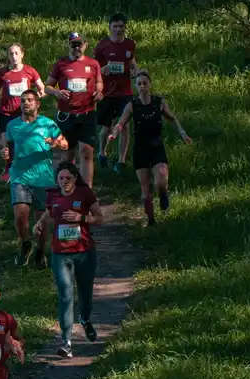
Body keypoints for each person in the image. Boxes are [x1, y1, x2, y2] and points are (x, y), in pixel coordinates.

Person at [35, 162, 104, 357]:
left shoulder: (84, 194)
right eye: (61, 179)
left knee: (84, 293)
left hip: (84, 252)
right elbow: (49, 214)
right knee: (65, 295)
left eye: (68, 178)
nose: (64, 182)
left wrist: (81, 218)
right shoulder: (53, 195)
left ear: (75, 179)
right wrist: (39, 225)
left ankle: (85, 319)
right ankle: (66, 341)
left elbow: (100, 218)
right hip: (60, 253)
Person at [108, 70, 192, 226]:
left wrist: (182, 133)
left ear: (150, 84)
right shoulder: (132, 105)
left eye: (145, 83)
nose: (142, 86)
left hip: (156, 146)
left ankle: (163, 193)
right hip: (140, 149)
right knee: (146, 192)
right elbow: (121, 123)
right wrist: (114, 133)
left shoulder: (158, 102)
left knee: (160, 178)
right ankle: (151, 220)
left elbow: (172, 118)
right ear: (136, 86)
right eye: (139, 84)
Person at [4, 89, 67, 267]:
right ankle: (25, 243)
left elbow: (65, 144)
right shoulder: (12, 125)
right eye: (23, 100)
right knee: (20, 215)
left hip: (43, 178)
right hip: (20, 176)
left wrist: (55, 143)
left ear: (37, 104)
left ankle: (40, 251)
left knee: (42, 221)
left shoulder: (48, 124)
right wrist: (6, 154)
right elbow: (9, 147)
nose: (26, 103)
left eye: (30, 100)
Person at [46, 31, 103, 186]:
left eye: (79, 44)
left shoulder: (93, 64)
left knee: (86, 152)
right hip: (66, 115)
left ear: (85, 45)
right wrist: (57, 92)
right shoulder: (60, 64)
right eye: (73, 44)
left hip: (87, 113)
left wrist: (99, 92)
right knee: (66, 154)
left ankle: (87, 190)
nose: (76, 47)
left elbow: (99, 82)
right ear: (69, 45)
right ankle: (64, 187)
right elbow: (47, 87)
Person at [94, 13, 140, 171]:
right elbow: (94, 70)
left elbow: (132, 62)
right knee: (106, 127)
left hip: (125, 92)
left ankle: (121, 161)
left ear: (125, 27)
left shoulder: (130, 44)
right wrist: (103, 69)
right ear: (110, 28)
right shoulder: (102, 46)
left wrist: (136, 71)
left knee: (124, 126)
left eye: (121, 26)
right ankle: (102, 153)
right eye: (115, 26)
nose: (119, 29)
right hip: (107, 92)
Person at [0, 44, 44, 176]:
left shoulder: (30, 71)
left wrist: (33, 99)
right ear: (8, 56)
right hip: (6, 113)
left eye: (16, 53)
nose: (14, 56)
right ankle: (8, 170)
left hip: (23, 114)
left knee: (24, 143)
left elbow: (42, 89)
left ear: (22, 54)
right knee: (7, 145)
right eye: (11, 54)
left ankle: (27, 169)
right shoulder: (2, 73)